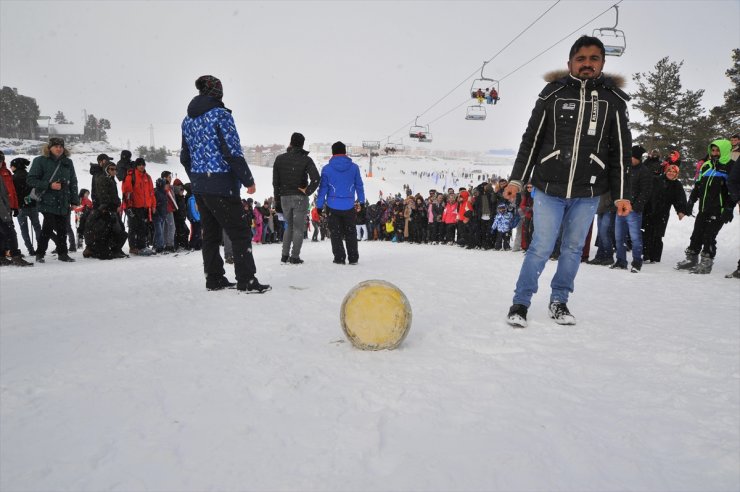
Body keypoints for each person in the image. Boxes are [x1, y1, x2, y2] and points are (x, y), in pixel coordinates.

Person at [503, 35, 632, 327]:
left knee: (573, 249)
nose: (587, 64)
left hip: (588, 192)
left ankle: (560, 300)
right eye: (581, 59)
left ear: (602, 62)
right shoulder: (553, 94)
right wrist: (517, 180)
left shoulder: (613, 101)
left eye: (593, 59)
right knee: (541, 247)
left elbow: (621, 152)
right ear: (570, 63)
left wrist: (622, 194)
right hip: (549, 187)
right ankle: (521, 303)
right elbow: (531, 142)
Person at [180, 74, 270, 292]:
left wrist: (197, 179)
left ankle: (214, 278)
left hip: (201, 186)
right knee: (239, 232)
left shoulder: (188, 120)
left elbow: (185, 157)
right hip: (221, 184)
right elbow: (232, 152)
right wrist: (248, 180)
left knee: (209, 234)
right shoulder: (221, 116)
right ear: (217, 92)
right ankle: (246, 280)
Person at [675, 139, 735, 274]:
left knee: (709, 235)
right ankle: (691, 259)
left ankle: (706, 262)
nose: (714, 153)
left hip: (719, 209)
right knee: (696, 234)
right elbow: (698, 185)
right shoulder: (706, 165)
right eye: (712, 150)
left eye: (717, 150)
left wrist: (729, 208)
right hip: (704, 207)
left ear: (724, 150)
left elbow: (734, 190)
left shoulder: (731, 167)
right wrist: (691, 201)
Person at [27, 137, 81, 263]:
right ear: (49, 148)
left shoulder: (68, 162)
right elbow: (30, 180)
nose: (59, 149)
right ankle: (40, 253)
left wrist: (74, 201)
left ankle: (63, 253)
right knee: (48, 226)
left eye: (61, 146)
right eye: (56, 146)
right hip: (47, 200)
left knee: (63, 228)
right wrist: (49, 185)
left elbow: (73, 181)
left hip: (63, 201)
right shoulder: (40, 161)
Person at [272, 132, 320, 264]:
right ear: (302, 144)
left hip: (284, 197)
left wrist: (277, 200)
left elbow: (276, 183)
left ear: (291, 142)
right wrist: (308, 191)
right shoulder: (306, 160)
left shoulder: (280, 159)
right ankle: (295, 256)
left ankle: (284, 255)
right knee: (298, 228)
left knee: (289, 227)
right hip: (300, 197)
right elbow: (316, 178)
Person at [315, 141, 365, 265]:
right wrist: (362, 201)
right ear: (345, 152)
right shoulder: (354, 168)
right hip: (349, 205)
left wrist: (319, 206)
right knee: (350, 232)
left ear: (333, 153)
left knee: (335, 234)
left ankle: (339, 257)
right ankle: (353, 258)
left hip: (332, 206)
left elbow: (323, 190)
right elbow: (359, 186)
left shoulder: (327, 169)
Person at [611, 145, 652, 272]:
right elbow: (619, 186)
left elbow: (645, 192)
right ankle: (621, 261)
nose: (630, 159)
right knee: (619, 236)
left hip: (633, 210)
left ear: (638, 158)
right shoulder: (625, 169)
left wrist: (635, 206)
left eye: (632, 157)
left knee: (635, 238)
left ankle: (636, 262)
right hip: (621, 207)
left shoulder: (644, 171)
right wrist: (617, 202)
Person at [641, 164, 687, 263]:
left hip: (663, 213)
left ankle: (655, 257)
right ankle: (646, 256)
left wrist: (681, 211)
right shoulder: (656, 180)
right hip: (650, 210)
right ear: (666, 171)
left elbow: (680, 199)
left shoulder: (677, 185)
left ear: (676, 174)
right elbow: (646, 192)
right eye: (669, 171)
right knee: (648, 233)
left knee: (658, 235)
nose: (671, 173)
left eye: (674, 172)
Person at [84, 159, 127, 259]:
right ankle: (108, 250)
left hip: (110, 209)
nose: (114, 171)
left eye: (115, 169)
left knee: (117, 230)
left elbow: (113, 196)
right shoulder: (103, 179)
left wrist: (118, 204)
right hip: (106, 209)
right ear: (107, 170)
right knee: (110, 231)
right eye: (111, 169)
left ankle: (114, 250)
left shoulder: (110, 179)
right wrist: (112, 207)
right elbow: (103, 196)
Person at [122, 157, 156, 255]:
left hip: (144, 207)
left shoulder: (147, 177)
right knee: (133, 227)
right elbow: (127, 192)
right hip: (134, 206)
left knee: (143, 227)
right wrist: (128, 207)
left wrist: (153, 205)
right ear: (136, 166)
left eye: (143, 164)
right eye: (139, 164)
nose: (141, 166)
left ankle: (142, 246)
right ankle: (133, 247)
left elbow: (151, 193)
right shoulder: (131, 176)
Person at [10, 157, 42, 256]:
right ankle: (41, 248)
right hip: (32, 205)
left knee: (24, 230)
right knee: (37, 227)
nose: (10, 167)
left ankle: (30, 250)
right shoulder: (29, 176)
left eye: (11, 166)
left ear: (15, 166)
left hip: (20, 207)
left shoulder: (13, 178)